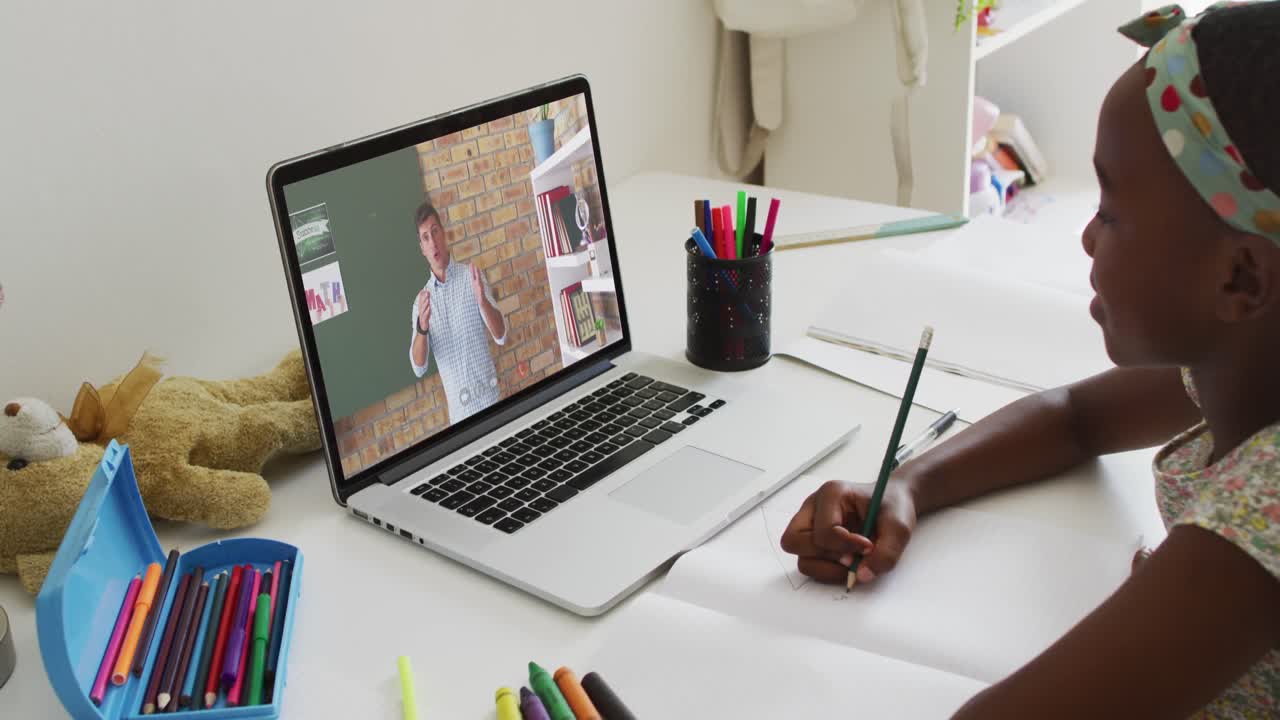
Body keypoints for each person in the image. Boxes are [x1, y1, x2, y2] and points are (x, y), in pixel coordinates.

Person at [780, 3, 1280, 717]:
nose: (1087, 237)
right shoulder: (1246, 360)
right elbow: (1075, 417)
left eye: (1112, 212)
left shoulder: (1260, 514)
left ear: (1242, 279)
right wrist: (910, 485)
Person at [409, 198, 507, 424]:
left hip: (492, 406)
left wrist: (482, 301)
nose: (433, 242)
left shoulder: (472, 277)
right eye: (425, 237)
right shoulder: (422, 303)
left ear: (443, 233)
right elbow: (418, 367)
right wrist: (422, 328)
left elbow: (501, 336)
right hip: (461, 420)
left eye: (435, 232)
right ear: (422, 248)